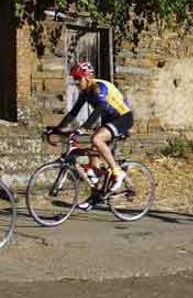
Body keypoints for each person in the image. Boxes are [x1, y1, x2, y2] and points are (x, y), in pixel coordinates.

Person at [55, 61, 134, 200]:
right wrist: (57, 129)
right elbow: (73, 113)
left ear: (87, 77)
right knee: (92, 153)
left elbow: (100, 108)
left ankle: (117, 172)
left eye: (78, 78)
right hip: (109, 120)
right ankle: (97, 195)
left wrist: (84, 127)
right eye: (74, 79)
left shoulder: (99, 87)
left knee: (96, 139)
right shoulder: (85, 93)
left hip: (123, 118)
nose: (76, 82)